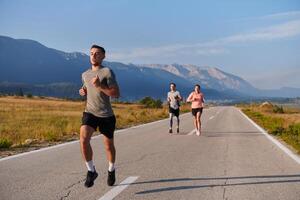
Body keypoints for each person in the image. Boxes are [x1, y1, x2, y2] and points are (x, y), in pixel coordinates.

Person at [79, 44, 120, 188]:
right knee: (83, 139)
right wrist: (83, 91)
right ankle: (91, 171)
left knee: (108, 146)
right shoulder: (85, 74)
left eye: (97, 53)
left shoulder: (107, 72)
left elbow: (115, 94)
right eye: (91, 53)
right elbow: (87, 88)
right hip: (90, 112)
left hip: (106, 115)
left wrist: (100, 86)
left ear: (103, 56)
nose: (93, 56)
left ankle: (111, 169)